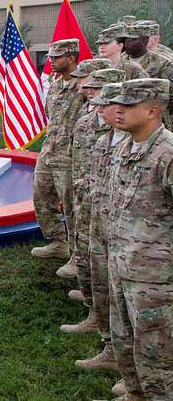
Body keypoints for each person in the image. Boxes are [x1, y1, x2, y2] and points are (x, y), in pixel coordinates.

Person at [106, 78, 173, 400]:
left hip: (156, 279)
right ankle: (134, 393)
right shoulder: (124, 147)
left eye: (128, 106)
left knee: (157, 357)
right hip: (122, 264)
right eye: (118, 103)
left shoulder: (168, 154)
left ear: (152, 110)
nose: (118, 110)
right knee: (124, 339)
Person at [60, 68, 125, 336]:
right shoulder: (92, 126)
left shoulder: (135, 140)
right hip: (88, 203)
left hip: (122, 223)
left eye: (100, 96)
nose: (93, 101)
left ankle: (109, 329)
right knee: (88, 259)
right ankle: (95, 312)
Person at [73, 82, 127, 386]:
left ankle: (141, 379)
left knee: (130, 305)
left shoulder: (158, 149)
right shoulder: (105, 140)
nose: (99, 107)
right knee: (99, 280)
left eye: (104, 102)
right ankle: (107, 341)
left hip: (136, 242)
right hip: (97, 219)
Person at [31, 39, 83, 261]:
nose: (50, 61)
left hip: (70, 155)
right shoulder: (55, 85)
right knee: (41, 196)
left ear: (71, 58)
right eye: (50, 57)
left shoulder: (82, 87)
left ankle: (77, 255)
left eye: (55, 57)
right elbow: (50, 117)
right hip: (49, 151)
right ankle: (57, 242)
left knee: (72, 206)